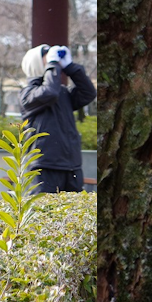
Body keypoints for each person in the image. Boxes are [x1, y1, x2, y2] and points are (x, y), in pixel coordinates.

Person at [19, 45, 96, 194]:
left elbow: (88, 93)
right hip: (44, 167)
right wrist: (53, 65)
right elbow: (49, 92)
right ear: (35, 63)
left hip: (71, 166)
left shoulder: (62, 92)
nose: (53, 62)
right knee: (43, 213)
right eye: (47, 58)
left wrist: (71, 67)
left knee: (75, 215)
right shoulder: (27, 94)